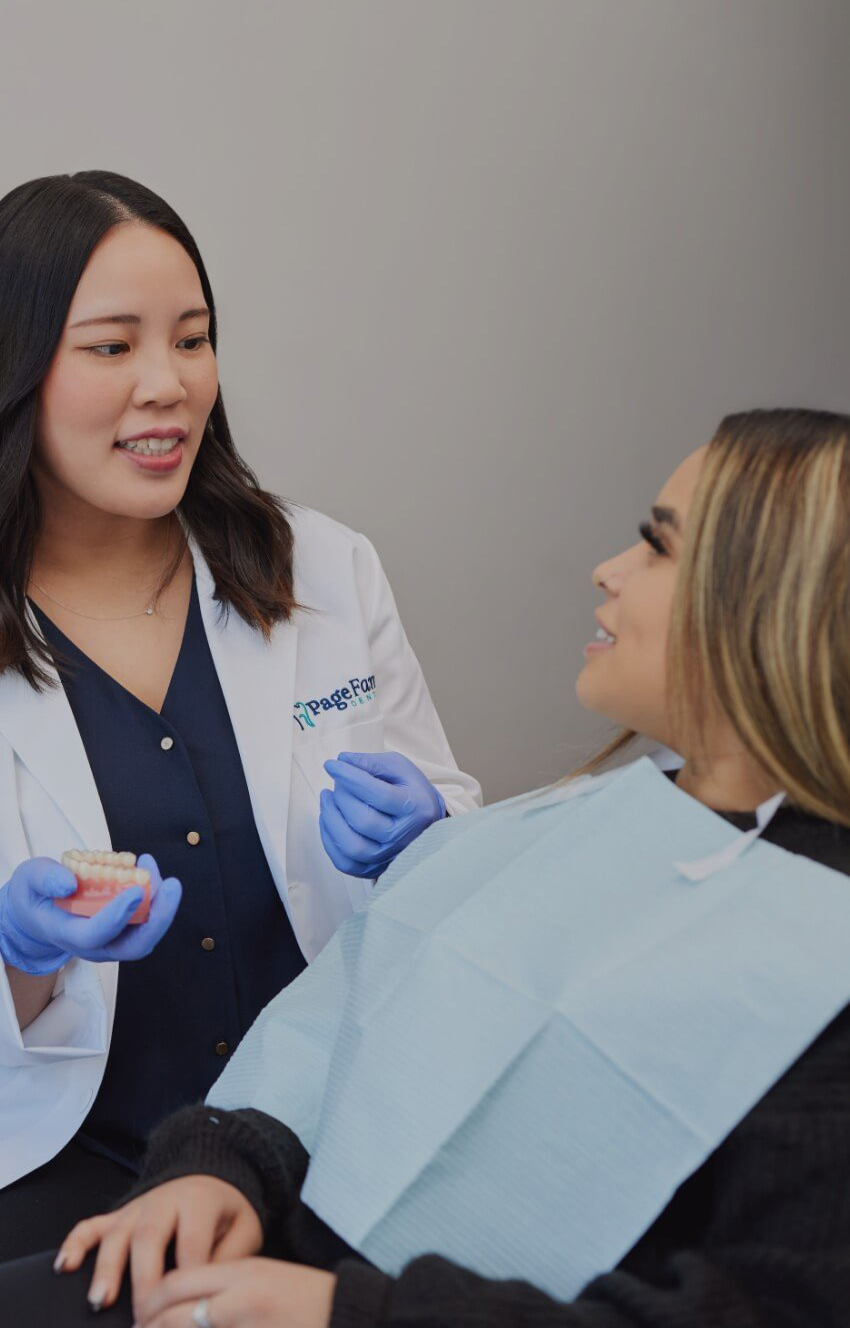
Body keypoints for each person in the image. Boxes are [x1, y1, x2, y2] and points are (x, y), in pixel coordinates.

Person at [9, 405, 850, 1328]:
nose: (608, 569)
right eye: (112, 346)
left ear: (774, 603)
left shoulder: (818, 961)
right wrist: (217, 1168)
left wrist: (345, 1311)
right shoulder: (583, 820)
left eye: (657, 546)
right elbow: (338, 1042)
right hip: (236, 1216)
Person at [0, 170, 481, 1257]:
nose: (168, 385)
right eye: (112, 346)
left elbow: (453, 843)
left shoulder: (319, 565)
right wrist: (18, 950)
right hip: (64, 1155)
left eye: (193, 338)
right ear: (16, 366)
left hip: (321, 1133)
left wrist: (431, 839)